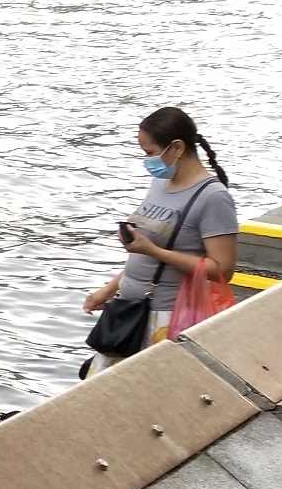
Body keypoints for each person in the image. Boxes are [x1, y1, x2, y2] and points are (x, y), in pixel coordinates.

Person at [84, 107, 237, 373]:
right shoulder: (160, 184)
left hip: (167, 316)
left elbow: (222, 270)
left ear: (177, 147)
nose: (147, 161)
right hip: (129, 310)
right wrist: (108, 291)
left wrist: (153, 250)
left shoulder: (213, 197)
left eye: (150, 153)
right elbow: (145, 252)